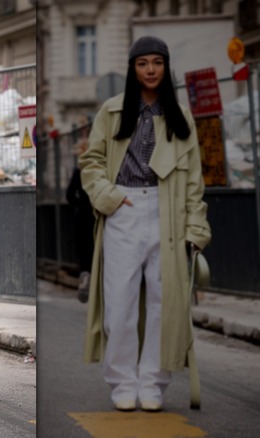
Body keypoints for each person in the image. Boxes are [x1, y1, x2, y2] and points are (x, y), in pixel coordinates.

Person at [79, 36, 211, 412]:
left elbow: (194, 181)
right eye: (143, 63)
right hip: (124, 206)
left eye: (157, 63)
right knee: (119, 303)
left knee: (163, 303)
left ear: (166, 67)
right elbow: (92, 163)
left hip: (170, 213)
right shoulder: (112, 110)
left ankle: (153, 383)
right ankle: (122, 381)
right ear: (133, 68)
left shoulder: (181, 116)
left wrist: (197, 229)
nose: (151, 70)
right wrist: (111, 198)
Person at [66, 139, 95, 303]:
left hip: (82, 216)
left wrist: (81, 205)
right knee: (97, 249)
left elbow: (69, 196)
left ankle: (85, 275)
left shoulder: (79, 172)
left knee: (83, 250)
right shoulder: (99, 171)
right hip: (98, 213)